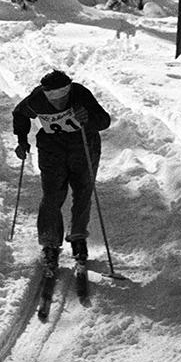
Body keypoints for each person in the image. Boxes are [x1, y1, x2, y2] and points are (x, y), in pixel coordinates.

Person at [12, 69, 112, 275]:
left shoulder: (80, 94)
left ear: (69, 89)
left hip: (84, 147)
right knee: (52, 195)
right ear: (45, 93)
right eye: (53, 96)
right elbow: (20, 113)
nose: (59, 100)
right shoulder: (37, 99)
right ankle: (50, 242)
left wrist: (88, 119)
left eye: (63, 94)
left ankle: (78, 238)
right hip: (52, 149)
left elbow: (104, 120)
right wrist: (22, 140)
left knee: (83, 192)